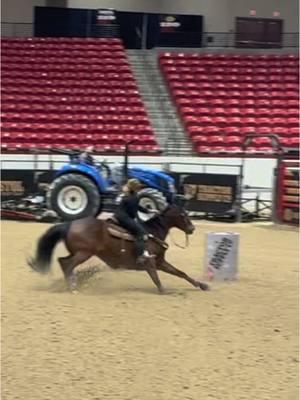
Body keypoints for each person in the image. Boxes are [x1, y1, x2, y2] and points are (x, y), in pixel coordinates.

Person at [113, 178, 157, 265]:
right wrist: (138, 221)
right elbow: (134, 212)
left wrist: (150, 211)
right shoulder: (133, 198)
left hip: (120, 215)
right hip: (123, 218)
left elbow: (138, 207)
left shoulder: (129, 196)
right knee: (140, 233)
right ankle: (140, 255)